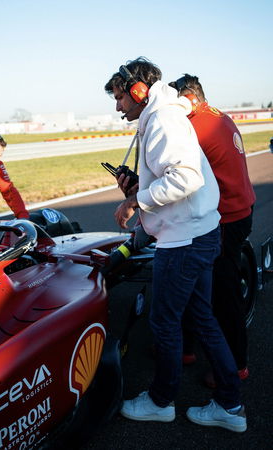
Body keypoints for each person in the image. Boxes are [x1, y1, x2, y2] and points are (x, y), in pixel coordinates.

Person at [105, 57, 247, 432]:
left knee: (165, 322)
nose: (118, 106)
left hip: (183, 241)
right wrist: (139, 187)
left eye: (120, 97)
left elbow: (186, 179)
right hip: (199, 233)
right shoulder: (164, 116)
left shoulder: (163, 120)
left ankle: (160, 401)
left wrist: (136, 201)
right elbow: (173, 177)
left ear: (138, 92)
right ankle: (230, 406)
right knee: (202, 318)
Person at [168, 75, 256, 386]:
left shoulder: (195, 126)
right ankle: (188, 348)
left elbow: (177, 176)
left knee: (222, 294)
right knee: (194, 281)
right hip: (238, 209)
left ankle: (235, 365)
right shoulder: (218, 115)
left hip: (226, 218)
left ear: (188, 100)